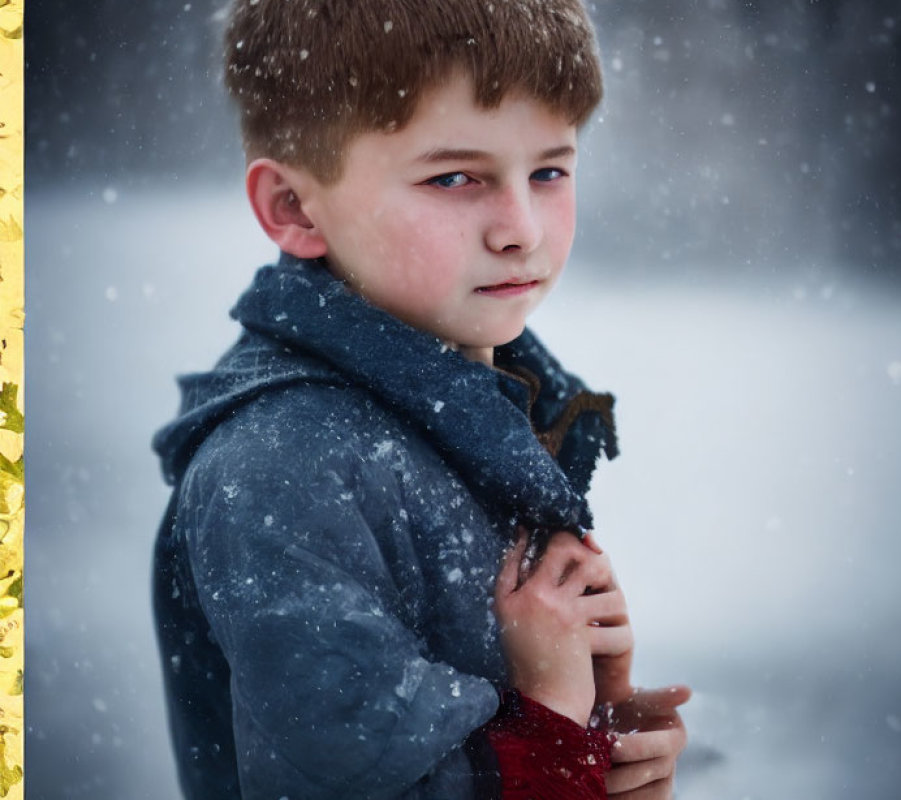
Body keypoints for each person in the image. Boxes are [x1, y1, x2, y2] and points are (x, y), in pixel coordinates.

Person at [151, 1, 689, 797]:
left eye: (548, 170)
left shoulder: (492, 410)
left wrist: (593, 745)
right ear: (295, 208)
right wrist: (547, 722)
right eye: (455, 177)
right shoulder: (284, 471)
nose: (521, 229)